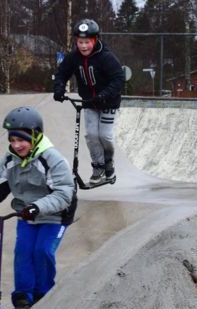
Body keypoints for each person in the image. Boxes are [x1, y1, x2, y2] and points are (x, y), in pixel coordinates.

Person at [0, 106, 75, 309]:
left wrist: (37, 207)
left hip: (55, 214)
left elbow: (64, 194)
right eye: (12, 140)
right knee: (23, 252)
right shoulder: (10, 158)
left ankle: (44, 297)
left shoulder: (51, 158)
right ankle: (23, 301)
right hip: (27, 214)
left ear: (35, 135)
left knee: (41, 251)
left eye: (21, 140)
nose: (16, 145)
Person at [52, 18, 125, 185]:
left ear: (95, 40)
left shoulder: (106, 57)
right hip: (89, 102)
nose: (84, 46)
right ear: (76, 42)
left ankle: (108, 164)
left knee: (104, 135)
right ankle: (98, 167)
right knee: (91, 135)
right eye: (80, 42)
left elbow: (118, 79)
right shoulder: (74, 57)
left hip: (109, 102)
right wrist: (59, 89)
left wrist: (104, 95)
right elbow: (62, 73)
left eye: (87, 42)